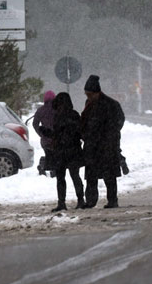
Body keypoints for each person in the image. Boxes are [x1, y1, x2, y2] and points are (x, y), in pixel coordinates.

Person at [81, 75, 125, 209]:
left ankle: (112, 200)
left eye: (89, 94)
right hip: (92, 145)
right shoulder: (88, 104)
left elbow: (118, 122)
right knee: (91, 176)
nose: (88, 96)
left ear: (96, 92)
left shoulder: (111, 104)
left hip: (107, 146)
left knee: (109, 175)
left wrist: (109, 137)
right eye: (86, 94)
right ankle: (90, 201)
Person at [46, 92, 85, 211]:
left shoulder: (60, 116)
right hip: (72, 150)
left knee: (62, 178)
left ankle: (62, 203)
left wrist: (50, 134)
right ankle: (80, 200)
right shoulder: (74, 115)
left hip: (63, 151)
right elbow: (79, 132)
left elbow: (58, 134)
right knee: (74, 176)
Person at [32, 91, 56, 175]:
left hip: (45, 139)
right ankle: (53, 169)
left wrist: (41, 133)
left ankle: (43, 165)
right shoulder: (58, 109)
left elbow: (35, 124)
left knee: (48, 153)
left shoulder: (40, 110)